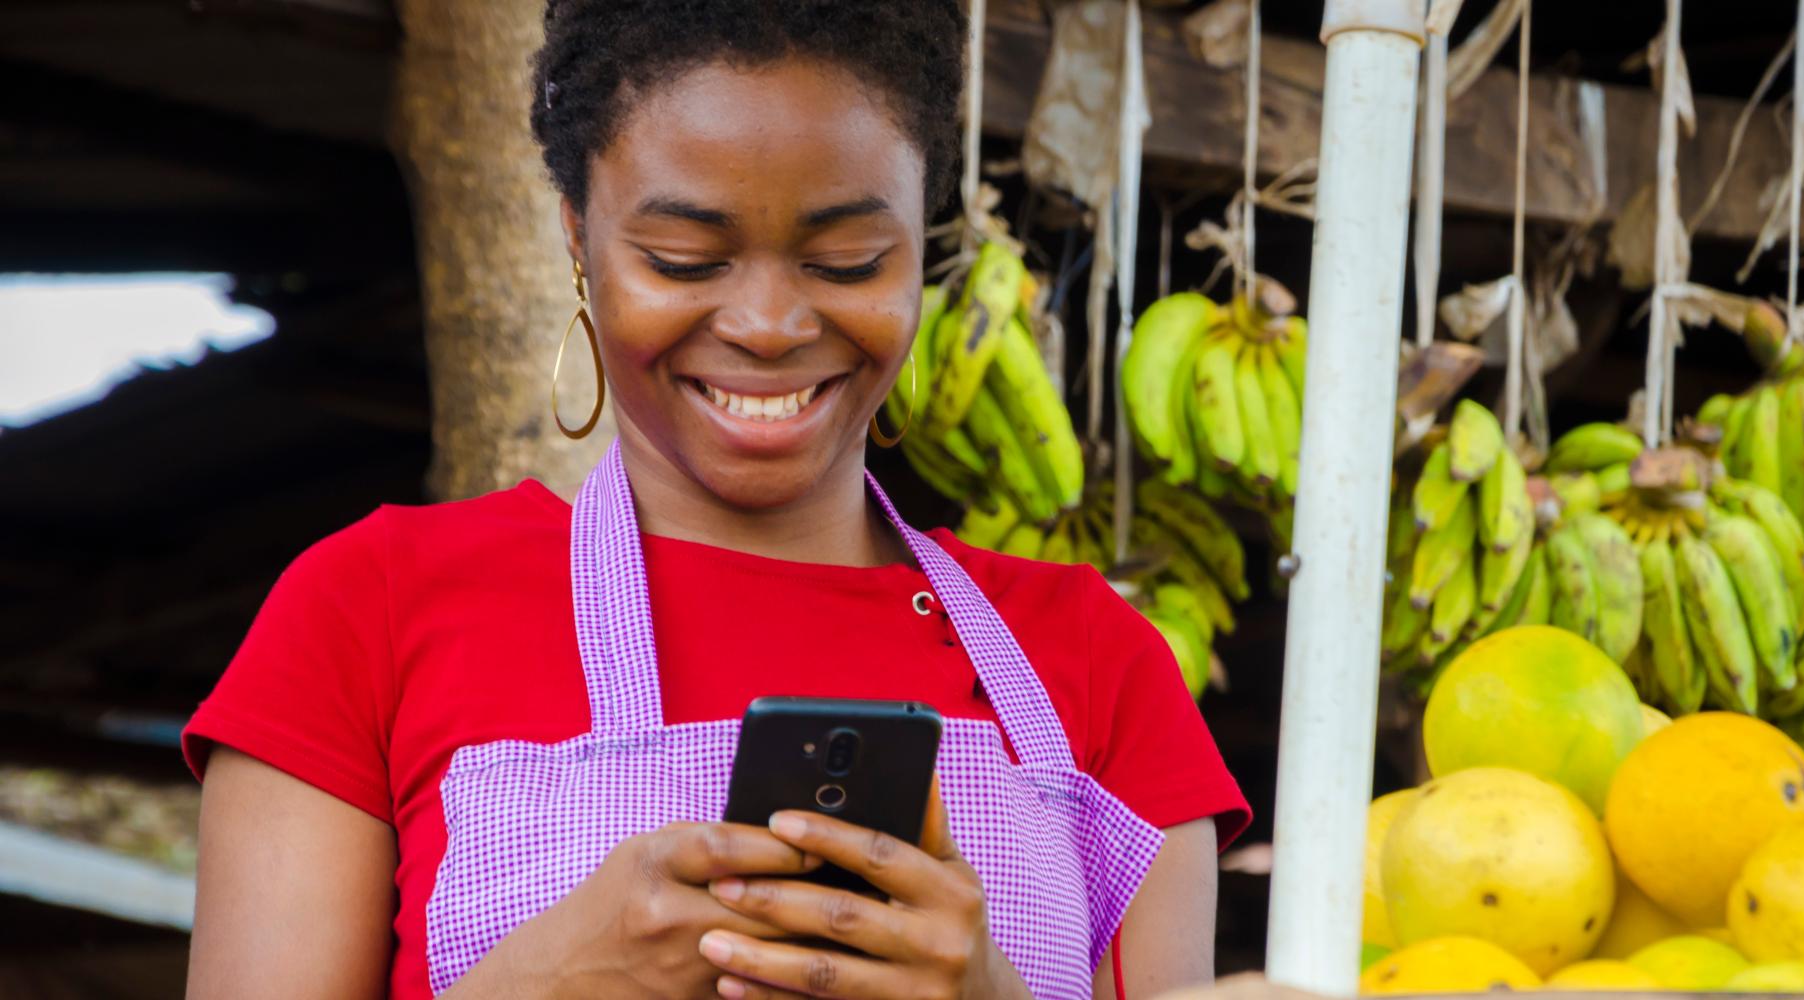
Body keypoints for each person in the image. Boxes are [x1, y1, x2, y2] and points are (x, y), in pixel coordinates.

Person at [183, 1, 1249, 997]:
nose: (769, 323)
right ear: (575, 237)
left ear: (924, 245)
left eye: (847, 258)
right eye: (682, 257)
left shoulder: (1098, 670)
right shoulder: (366, 614)